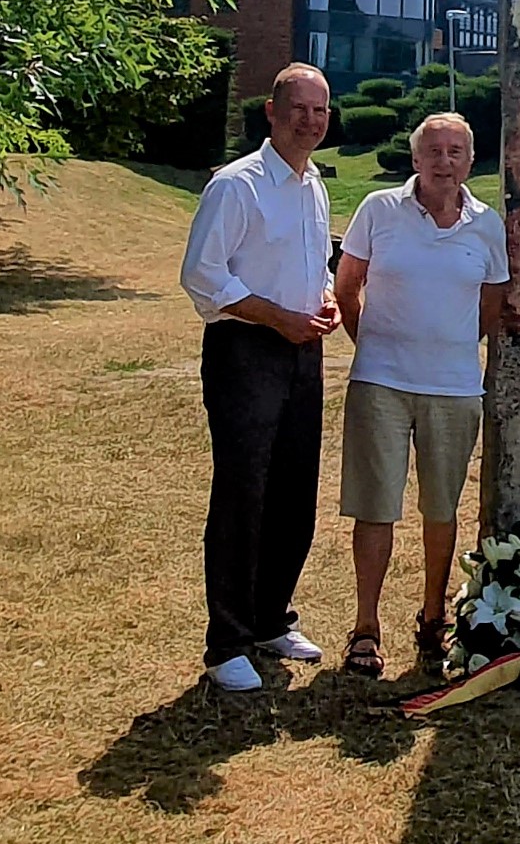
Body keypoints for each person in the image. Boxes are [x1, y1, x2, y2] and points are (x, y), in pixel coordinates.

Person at [179, 64, 340, 691]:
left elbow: (315, 260)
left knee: (294, 490)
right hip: (246, 349)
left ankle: (272, 618)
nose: (309, 120)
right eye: (298, 108)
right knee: (243, 493)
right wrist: (277, 318)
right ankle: (227, 644)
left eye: (320, 110)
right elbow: (203, 274)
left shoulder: (313, 186)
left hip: (303, 350)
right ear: (271, 113)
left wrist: (323, 297)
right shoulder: (236, 185)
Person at [333, 112, 509, 677]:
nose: (444, 161)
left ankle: (434, 617)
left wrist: (450, 343)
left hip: (454, 388)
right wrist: (375, 346)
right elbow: (346, 288)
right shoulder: (378, 211)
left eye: (456, 150)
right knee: (375, 508)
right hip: (380, 384)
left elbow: (491, 306)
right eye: (433, 150)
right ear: (416, 159)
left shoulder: (487, 225)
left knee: (442, 509)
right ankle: (365, 627)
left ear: (469, 160)